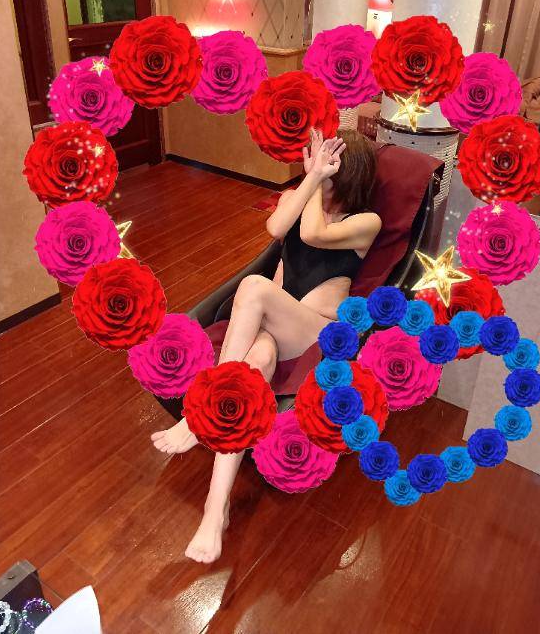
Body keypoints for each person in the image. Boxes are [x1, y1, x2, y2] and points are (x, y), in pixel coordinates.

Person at [151, 128, 382, 563]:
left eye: (326, 163)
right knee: (253, 367)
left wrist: (314, 178)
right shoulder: (300, 196)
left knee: (255, 287)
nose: (313, 165)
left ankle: (199, 410)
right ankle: (215, 509)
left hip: (311, 332)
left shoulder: (366, 222)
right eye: (314, 159)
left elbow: (311, 234)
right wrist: (311, 180)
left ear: (346, 172)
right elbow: (275, 226)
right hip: (271, 327)